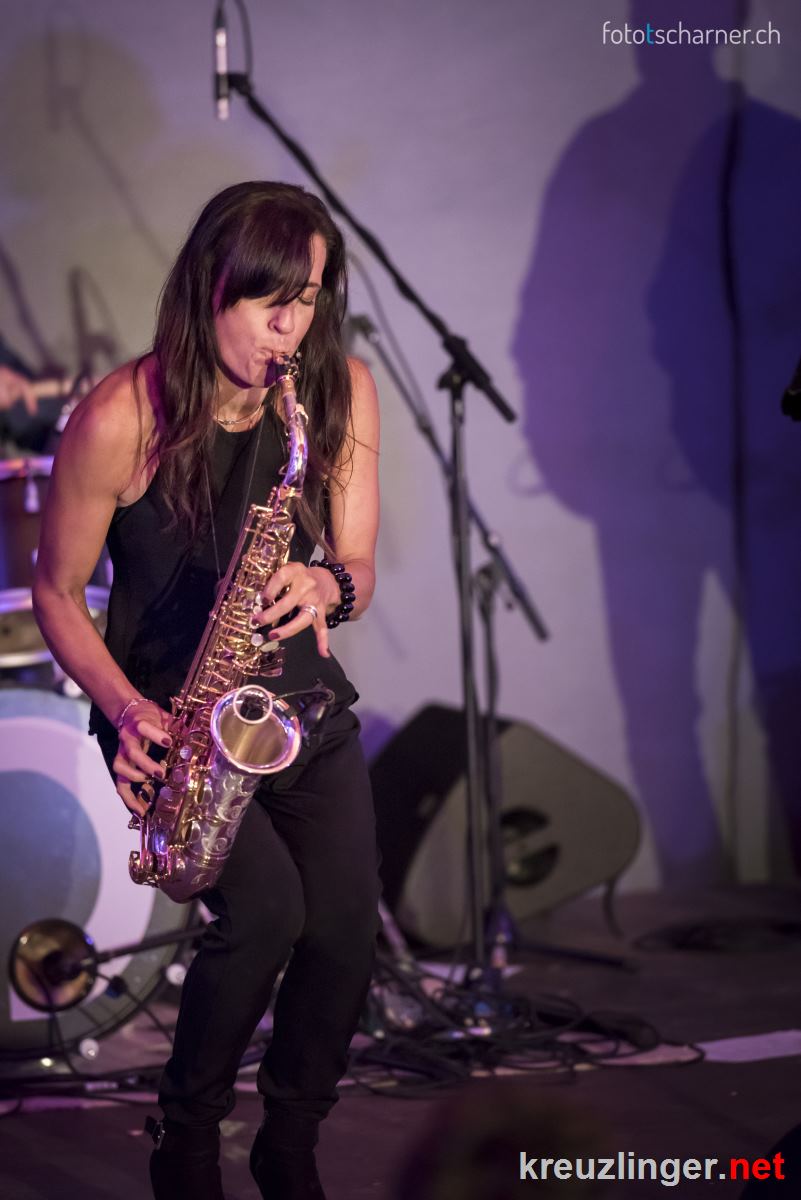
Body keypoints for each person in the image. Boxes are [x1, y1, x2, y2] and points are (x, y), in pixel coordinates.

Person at [33, 181, 382, 1200]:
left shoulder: (335, 390)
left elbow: (358, 564)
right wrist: (126, 710)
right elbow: (56, 592)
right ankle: (185, 1143)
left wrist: (328, 583)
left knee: (344, 932)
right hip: (170, 719)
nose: (291, 328)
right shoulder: (120, 417)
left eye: (309, 300)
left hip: (296, 707)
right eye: (270, 301)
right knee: (264, 917)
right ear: (209, 290)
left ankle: (290, 1144)